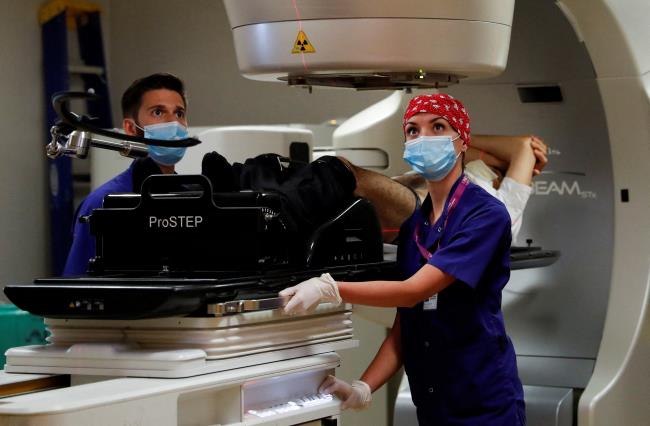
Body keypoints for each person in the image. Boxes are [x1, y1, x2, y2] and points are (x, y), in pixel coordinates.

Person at [280, 94, 526, 425]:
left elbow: (413, 290)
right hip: (433, 400)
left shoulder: (485, 215)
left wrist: (330, 288)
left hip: (482, 398)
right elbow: (406, 325)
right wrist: (363, 387)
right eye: (412, 130)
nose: (423, 137)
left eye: (437, 127)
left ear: (462, 139)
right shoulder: (414, 226)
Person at [63, 73, 190, 276]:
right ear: (131, 128)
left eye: (179, 113)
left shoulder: (193, 199)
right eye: (158, 112)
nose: (173, 123)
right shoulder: (103, 203)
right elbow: (77, 286)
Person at [343, 131, 547, 244]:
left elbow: (524, 146)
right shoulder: (457, 172)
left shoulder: (506, 210)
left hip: (423, 216)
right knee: (343, 175)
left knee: (347, 173)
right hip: (409, 201)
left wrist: (459, 137)